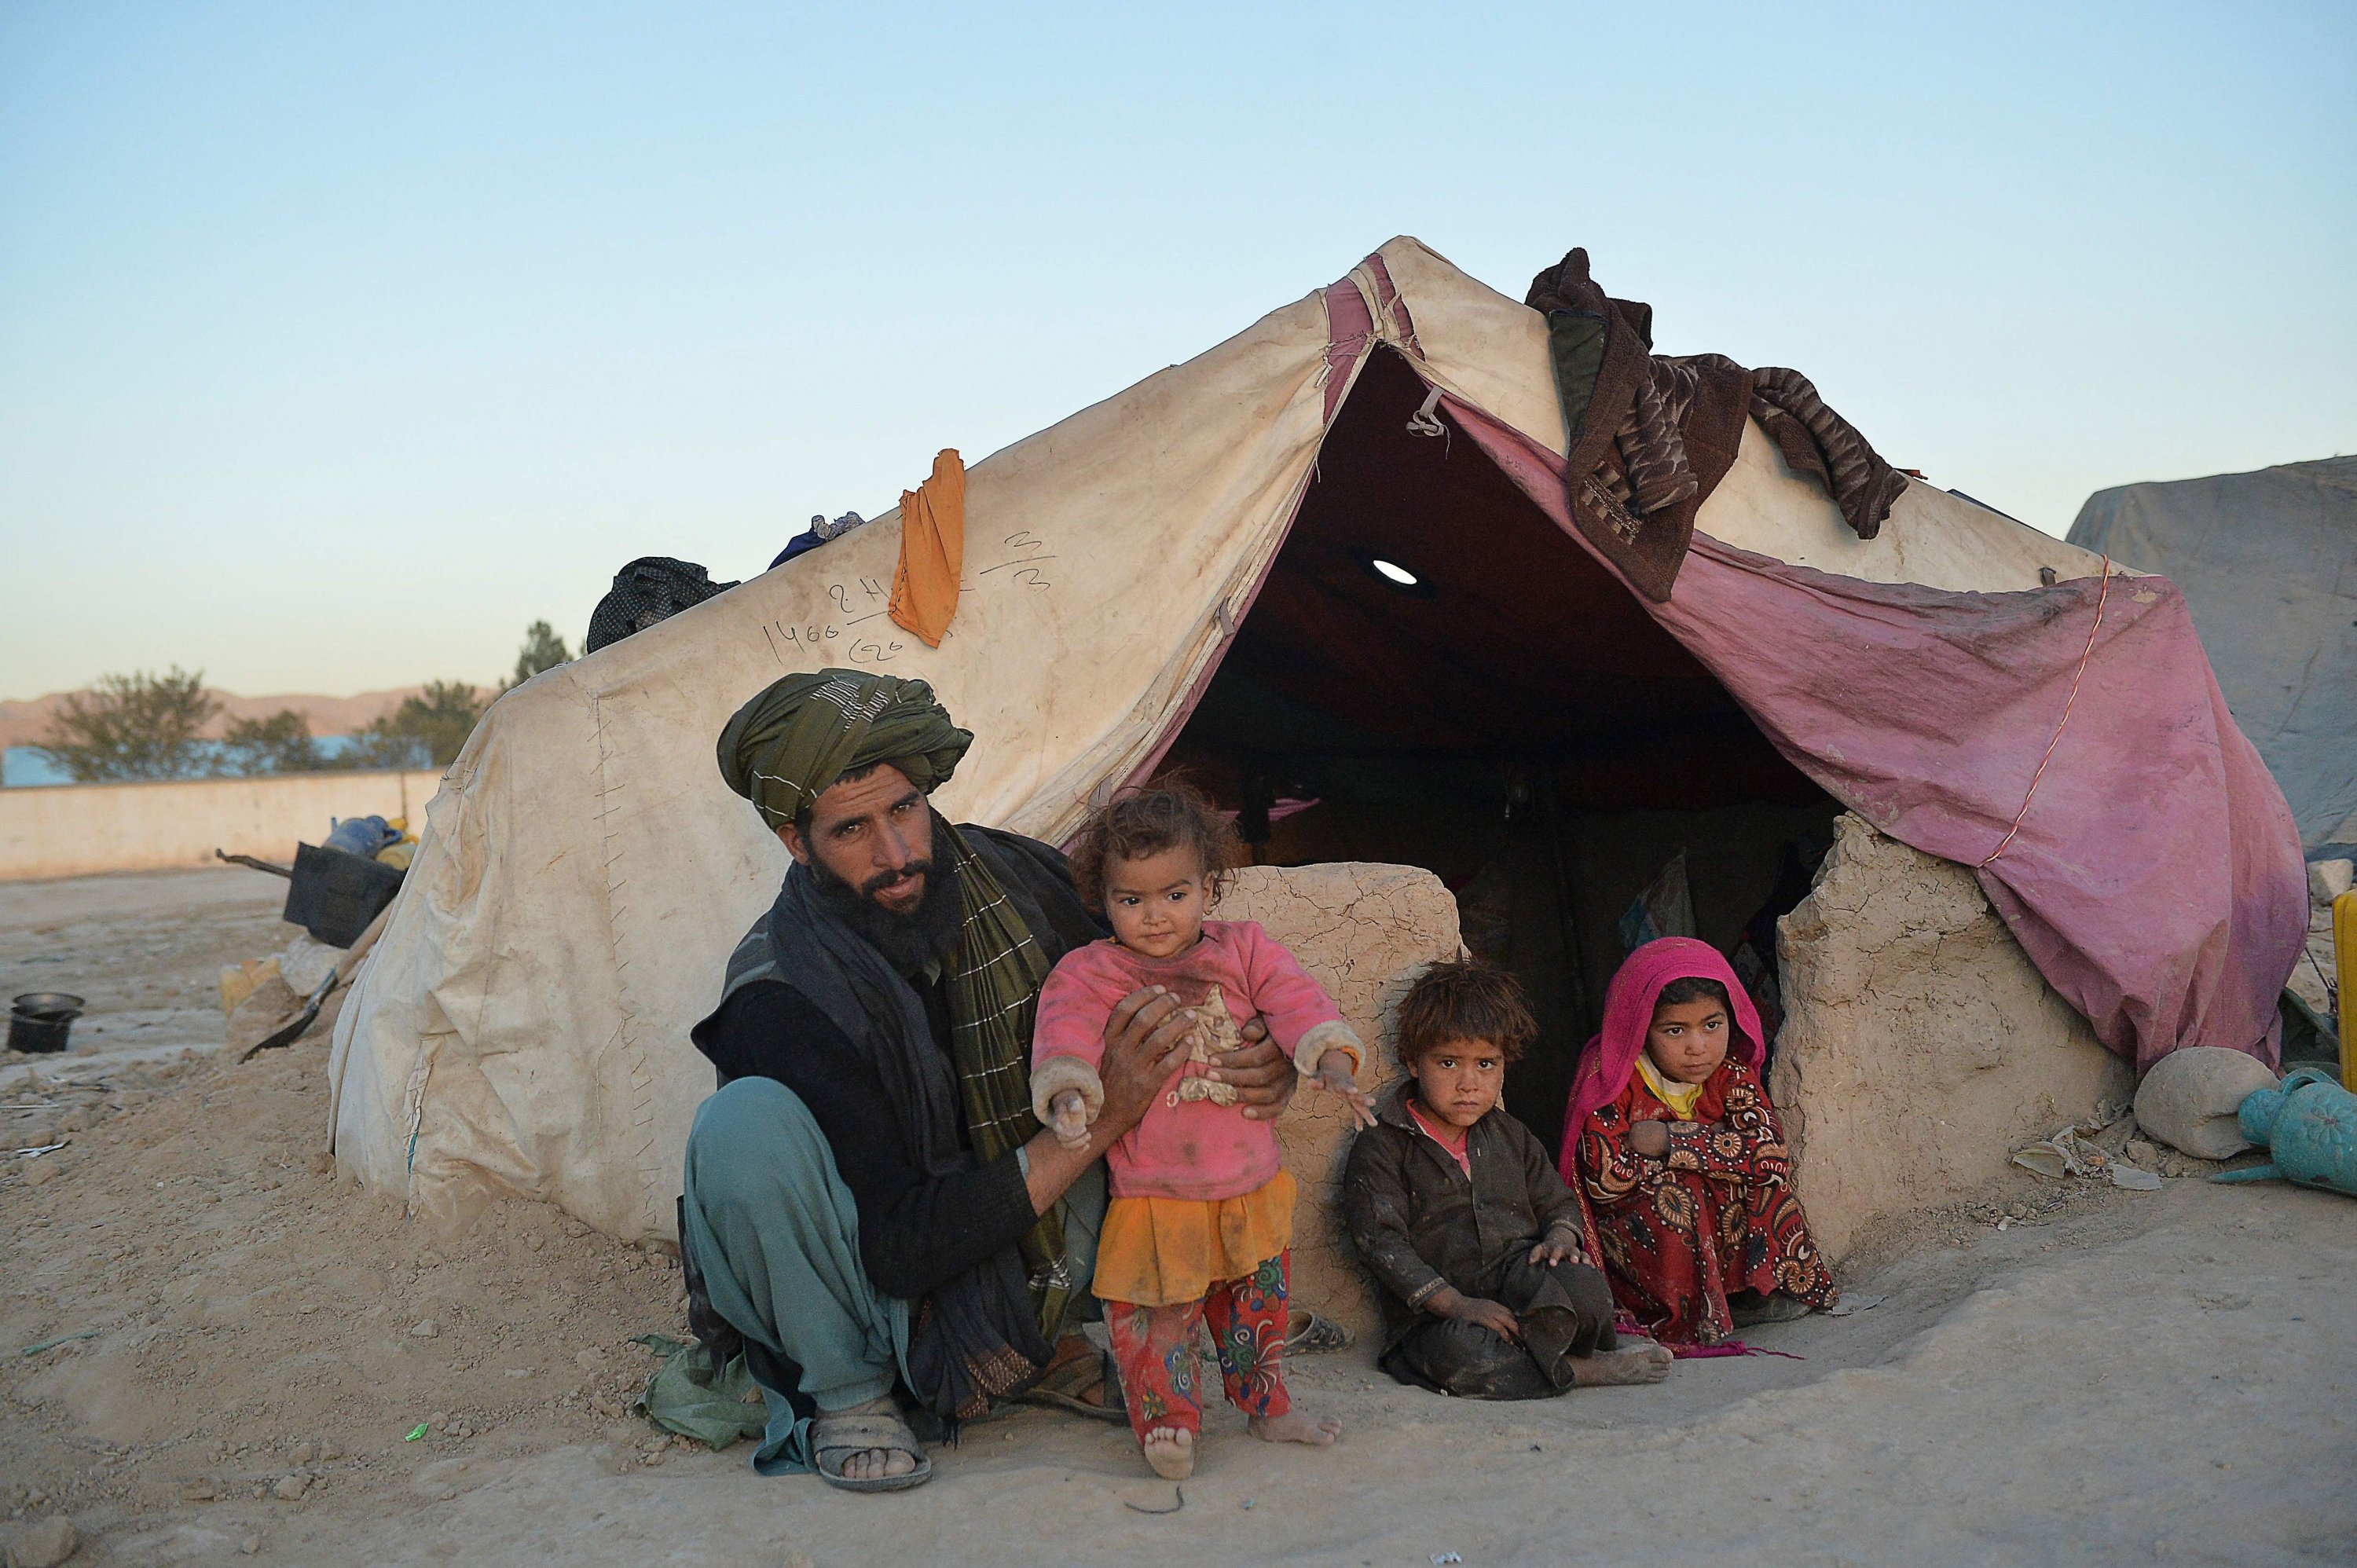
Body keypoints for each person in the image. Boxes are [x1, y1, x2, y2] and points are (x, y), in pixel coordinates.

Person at [682, 672, 1303, 1492]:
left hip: (1027, 1261)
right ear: (799, 843)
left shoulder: (1018, 881)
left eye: (903, 809)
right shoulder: (779, 993)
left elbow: (1177, 973)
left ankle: (1049, 1345)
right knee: (739, 1128)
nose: (897, 854)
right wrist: (1105, 1115)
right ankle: (849, 1398)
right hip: (870, 1295)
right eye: (853, 829)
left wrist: (1264, 1055)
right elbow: (901, 1248)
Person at [1028, 782, 1371, 1479]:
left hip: (1247, 1183)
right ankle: (1169, 1424)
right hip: (1156, 1194)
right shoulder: (1091, 972)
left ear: (1208, 888)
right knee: (1156, 1320)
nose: (1154, 916)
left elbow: (1295, 1000)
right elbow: (1062, 1033)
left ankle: (1268, 1408)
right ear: (1104, 899)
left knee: (1258, 1310)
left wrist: (1330, 1059)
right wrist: (1067, 1091)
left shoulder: (1244, 951)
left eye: (1174, 895)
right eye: (1132, 900)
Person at [1343, 959, 1673, 1398]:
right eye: (1448, 1063)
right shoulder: (1383, 1145)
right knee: (1466, 1355)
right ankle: (1580, 1370)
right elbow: (1382, 1246)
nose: (1468, 1083)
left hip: (1520, 1285)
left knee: (1587, 1292)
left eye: (1485, 1064)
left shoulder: (1509, 1134)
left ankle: (1555, 1355)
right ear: (1414, 1063)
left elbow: (1556, 1201)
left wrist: (1560, 1236)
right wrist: (1457, 1304)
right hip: (1439, 1314)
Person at [1560, 938, 1838, 1346]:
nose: (1698, 1047)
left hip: (1702, 1206)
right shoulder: (1612, 1079)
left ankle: (1754, 1295)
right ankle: (1682, 1317)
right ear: (1639, 1026)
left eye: (1712, 1025)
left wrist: (1671, 1140)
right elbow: (1607, 1178)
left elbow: (1770, 1155)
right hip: (1641, 1234)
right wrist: (1716, 1153)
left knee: (1766, 1185)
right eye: (1675, 1030)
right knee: (1677, 1195)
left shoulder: (1730, 1074)